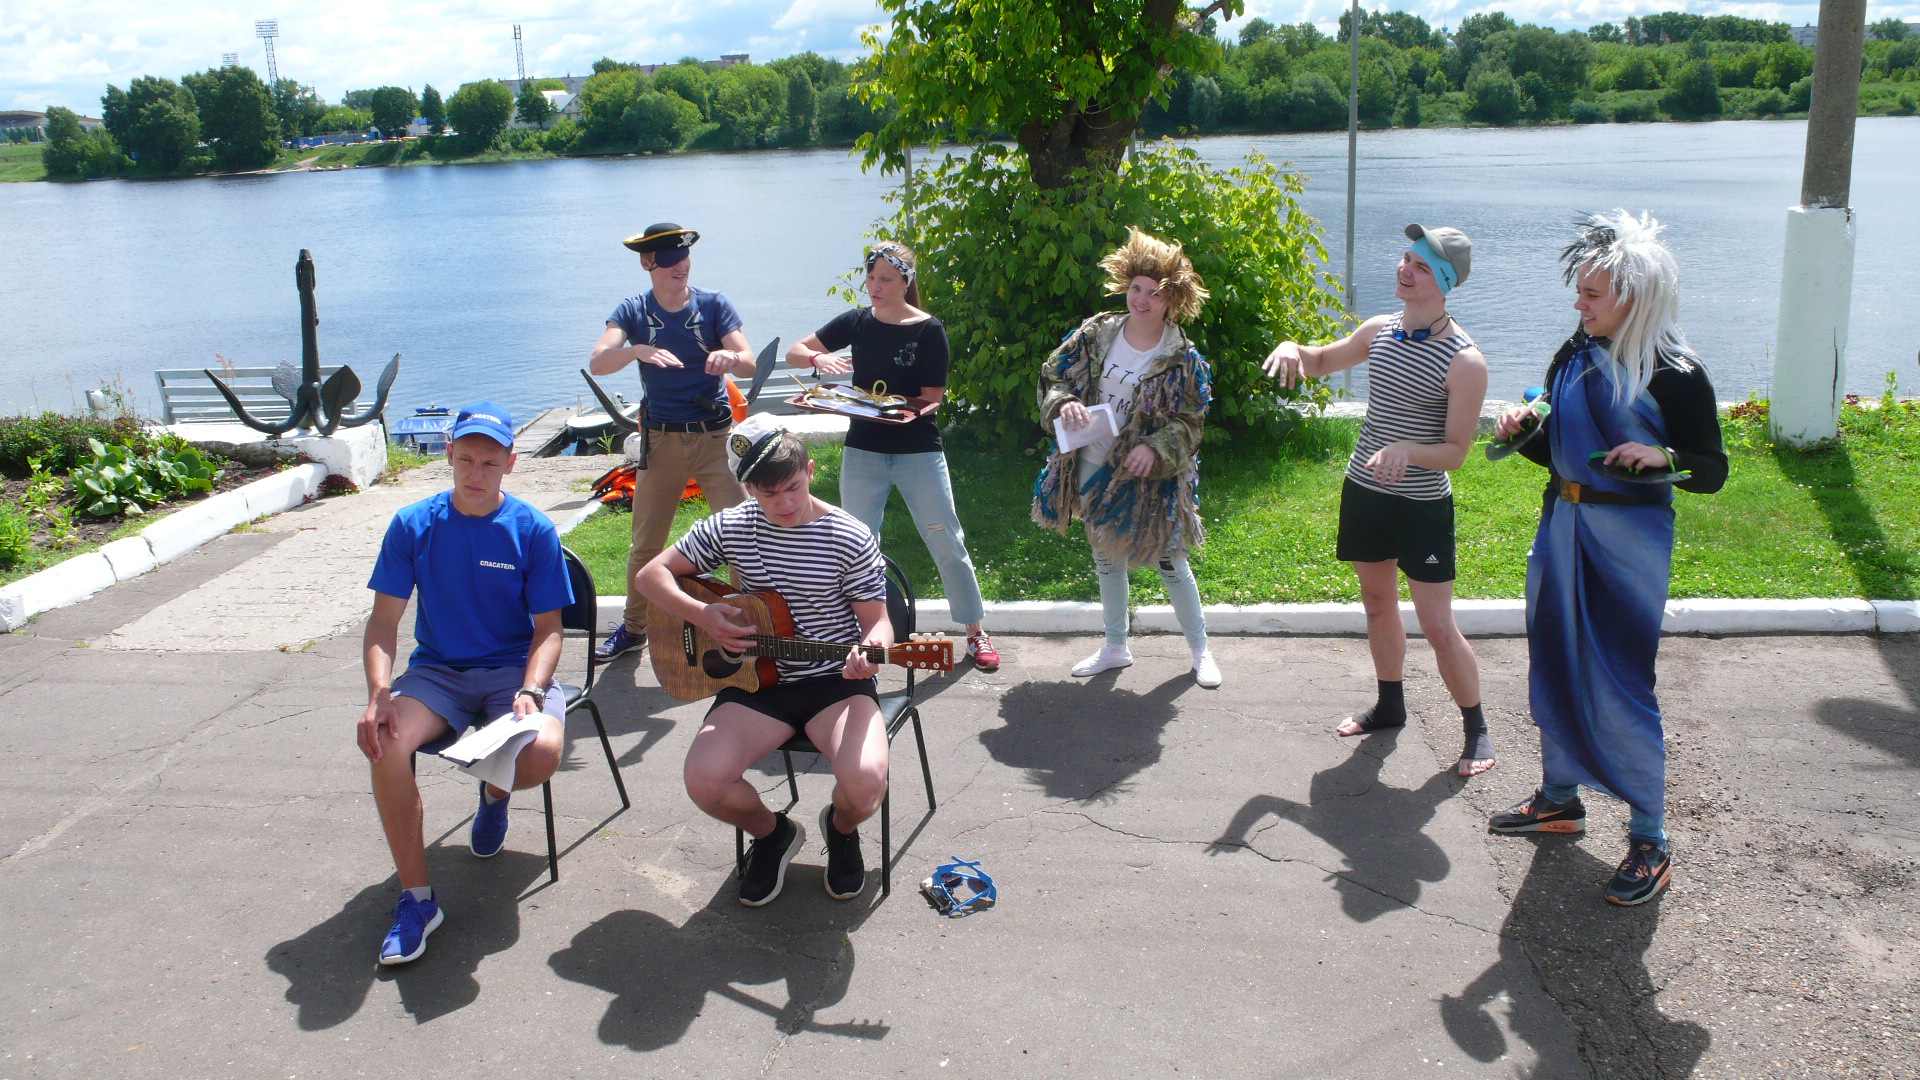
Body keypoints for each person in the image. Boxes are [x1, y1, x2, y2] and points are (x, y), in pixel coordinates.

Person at [1486, 210, 1727, 907]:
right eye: (1581, 292)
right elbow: (1559, 448)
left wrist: (1667, 456)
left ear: (1636, 298)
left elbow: (1711, 470)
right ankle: (1560, 798)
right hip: (1561, 524)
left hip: (1629, 542)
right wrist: (1520, 429)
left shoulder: (1677, 375)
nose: (1578, 304)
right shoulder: (1573, 353)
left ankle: (1650, 836)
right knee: (1555, 659)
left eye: (1592, 295)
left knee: (1622, 679)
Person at [1263, 224, 1495, 777]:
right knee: (1376, 602)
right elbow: (1319, 360)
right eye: (1404, 258)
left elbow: (1457, 452)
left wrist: (1408, 450)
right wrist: (1291, 348)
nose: (1403, 269)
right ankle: (1390, 705)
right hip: (1365, 492)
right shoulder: (1379, 331)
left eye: (1418, 265)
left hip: (1420, 505)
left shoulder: (1465, 361)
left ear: (1442, 281)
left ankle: (1476, 727)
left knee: (1437, 624)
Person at [636, 416, 893, 905]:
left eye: (793, 488)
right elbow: (652, 577)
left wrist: (872, 650)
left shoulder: (849, 536)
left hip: (835, 684)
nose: (786, 504)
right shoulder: (732, 525)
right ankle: (773, 834)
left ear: (811, 471)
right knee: (704, 781)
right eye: (769, 494)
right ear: (748, 488)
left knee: (864, 787)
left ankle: (840, 831)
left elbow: (878, 623)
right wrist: (703, 616)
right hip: (757, 684)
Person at [357, 403, 574, 965]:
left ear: (510, 464)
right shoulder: (413, 524)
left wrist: (530, 689)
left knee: (542, 754)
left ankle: (494, 792)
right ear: (449, 456)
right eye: (467, 460)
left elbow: (550, 632)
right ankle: (418, 900)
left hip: (512, 670)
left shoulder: (532, 528)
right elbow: (383, 624)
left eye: (490, 463)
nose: (476, 474)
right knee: (385, 742)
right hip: (439, 672)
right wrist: (379, 696)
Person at [786, 241, 1001, 672]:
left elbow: (932, 398)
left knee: (946, 540)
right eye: (870, 278)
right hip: (863, 450)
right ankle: (860, 634)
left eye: (885, 279)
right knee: (857, 545)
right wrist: (817, 358)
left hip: (917, 449)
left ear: (906, 280)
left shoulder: (927, 330)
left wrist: (897, 411)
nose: (875, 287)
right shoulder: (857, 321)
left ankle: (976, 633)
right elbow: (795, 351)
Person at [1032, 227, 1221, 688]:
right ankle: (1115, 646)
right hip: (1094, 462)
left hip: (1153, 477)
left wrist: (1154, 448)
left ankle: (1200, 650)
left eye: (1154, 294)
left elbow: (1191, 423)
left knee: (1172, 560)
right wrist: (1063, 403)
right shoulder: (1097, 333)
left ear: (1171, 300)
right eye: (1137, 288)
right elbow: (1052, 376)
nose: (1142, 299)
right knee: (1105, 559)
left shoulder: (1182, 358)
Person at [589, 222, 756, 661]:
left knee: (741, 537)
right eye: (668, 259)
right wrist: (637, 352)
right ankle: (633, 629)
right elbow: (599, 361)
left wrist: (730, 357)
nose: (679, 265)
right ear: (648, 263)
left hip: (715, 438)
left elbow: (751, 364)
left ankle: (750, 626)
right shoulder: (633, 311)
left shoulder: (713, 304)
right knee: (646, 544)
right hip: (661, 442)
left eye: (684, 257)